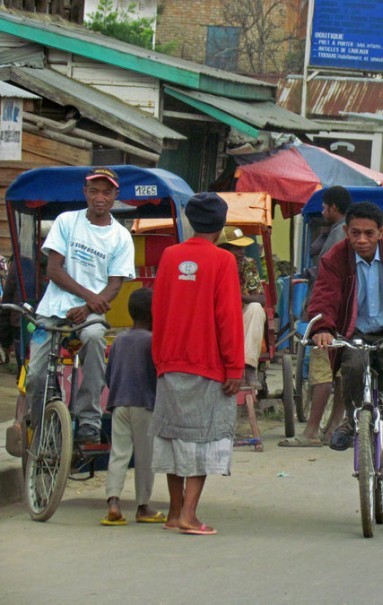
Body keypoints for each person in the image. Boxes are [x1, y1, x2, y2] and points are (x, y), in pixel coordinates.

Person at [308, 201, 383, 512]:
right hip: (355, 336)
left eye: (368, 234)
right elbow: (324, 296)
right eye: (354, 233)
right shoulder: (335, 258)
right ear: (346, 232)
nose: (361, 240)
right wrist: (322, 327)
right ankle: (351, 418)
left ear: (381, 233)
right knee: (352, 366)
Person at [150, 192, 244, 536]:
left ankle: (174, 512)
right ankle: (189, 515)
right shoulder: (223, 261)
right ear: (220, 225)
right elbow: (228, 318)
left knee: (174, 437)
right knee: (202, 442)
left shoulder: (170, 256)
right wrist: (235, 367)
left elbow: (158, 310)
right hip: (208, 366)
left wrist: (159, 358)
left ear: (190, 221)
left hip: (170, 362)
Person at [26, 167, 135, 444]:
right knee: (36, 372)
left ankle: (89, 420)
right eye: (95, 191)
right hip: (53, 308)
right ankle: (38, 422)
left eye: (107, 192)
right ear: (85, 192)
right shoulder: (66, 221)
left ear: (115, 196)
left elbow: (114, 285)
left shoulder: (121, 236)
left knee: (95, 341)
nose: (100, 197)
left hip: (90, 316)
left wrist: (87, 309)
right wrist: (89, 298)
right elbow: (53, 269)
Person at [279, 186, 350, 447]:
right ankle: (333, 425)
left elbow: (327, 272)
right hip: (341, 311)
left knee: (322, 370)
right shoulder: (339, 231)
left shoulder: (340, 232)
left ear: (332, 207)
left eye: (324, 207)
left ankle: (311, 431)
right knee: (340, 371)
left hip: (328, 313)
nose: (322, 211)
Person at [101, 288, 165, 526]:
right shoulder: (151, 341)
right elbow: (157, 374)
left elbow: (110, 375)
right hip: (144, 404)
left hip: (119, 403)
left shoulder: (119, 340)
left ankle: (113, 502)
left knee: (118, 454)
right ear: (154, 313)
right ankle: (143, 506)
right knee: (145, 457)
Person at [216, 226, 265, 388]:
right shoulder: (213, 264)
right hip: (216, 321)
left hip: (241, 319)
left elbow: (261, 298)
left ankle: (249, 367)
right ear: (223, 249)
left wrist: (237, 296)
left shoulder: (247, 264)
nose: (242, 252)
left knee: (256, 308)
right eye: (237, 248)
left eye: (242, 248)